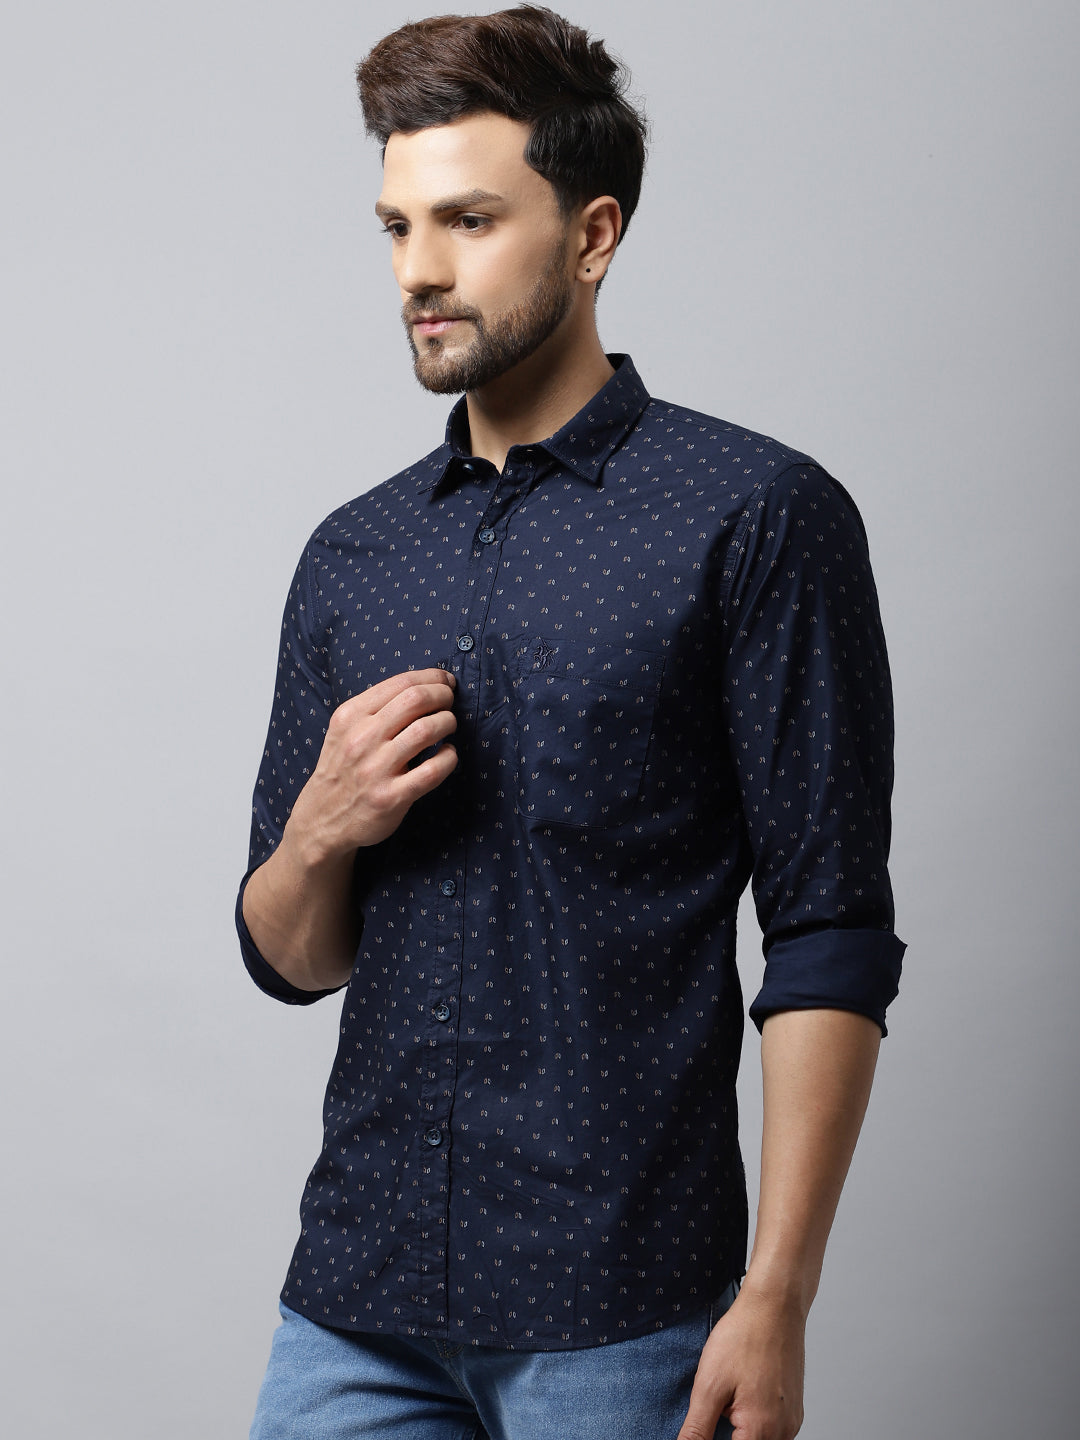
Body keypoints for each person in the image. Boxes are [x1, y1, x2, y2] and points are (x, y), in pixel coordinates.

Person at [238, 7, 904, 1438]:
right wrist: (318, 830)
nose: (419, 271)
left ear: (594, 235)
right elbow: (291, 958)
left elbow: (831, 932)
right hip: (355, 1301)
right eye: (397, 226)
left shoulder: (756, 516)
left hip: (624, 1312)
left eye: (469, 220)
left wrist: (777, 1296)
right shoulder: (353, 554)